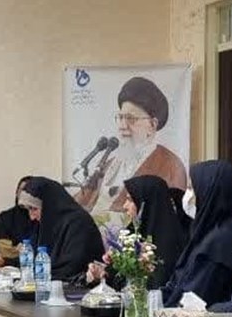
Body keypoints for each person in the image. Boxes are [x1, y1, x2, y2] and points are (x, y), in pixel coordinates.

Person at [76, 77, 187, 214]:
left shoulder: (170, 166)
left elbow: (164, 216)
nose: (122, 126)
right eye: (120, 117)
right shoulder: (110, 164)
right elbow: (81, 200)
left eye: (131, 119)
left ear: (152, 125)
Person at [161, 161, 232, 308]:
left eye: (192, 188)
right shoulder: (208, 231)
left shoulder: (222, 239)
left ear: (209, 192)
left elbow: (196, 295)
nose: (188, 196)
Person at [86, 175, 187, 288]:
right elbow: (117, 277)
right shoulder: (133, 232)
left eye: (130, 200)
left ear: (146, 204)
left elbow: (153, 286)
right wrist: (101, 273)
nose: (125, 206)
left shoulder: (168, 243)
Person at [18, 177, 104, 282]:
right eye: (28, 209)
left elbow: (71, 268)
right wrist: (6, 261)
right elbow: (33, 258)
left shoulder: (78, 223)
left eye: (34, 209)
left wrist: (37, 273)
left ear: (50, 205)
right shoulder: (47, 223)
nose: (31, 217)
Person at [0, 176, 36, 266]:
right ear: (16, 192)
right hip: (6, 266)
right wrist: (19, 250)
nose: (24, 194)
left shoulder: (39, 217)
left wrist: (18, 249)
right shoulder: (5, 217)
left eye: (28, 191)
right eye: (22, 190)